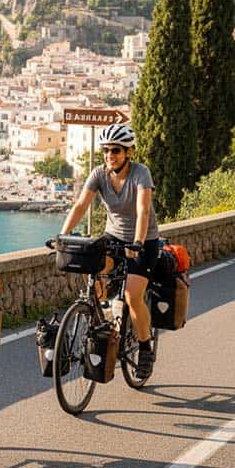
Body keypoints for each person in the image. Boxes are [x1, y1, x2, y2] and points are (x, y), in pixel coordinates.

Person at [58, 123, 159, 379]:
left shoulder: (140, 173)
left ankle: (145, 348)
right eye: (106, 150)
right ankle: (103, 320)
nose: (109, 155)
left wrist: (137, 242)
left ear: (128, 152)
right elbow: (81, 205)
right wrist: (62, 235)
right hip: (112, 236)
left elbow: (142, 210)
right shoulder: (99, 174)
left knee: (132, 295)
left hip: (143, 241)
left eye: (115, 150)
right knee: (90, 271)